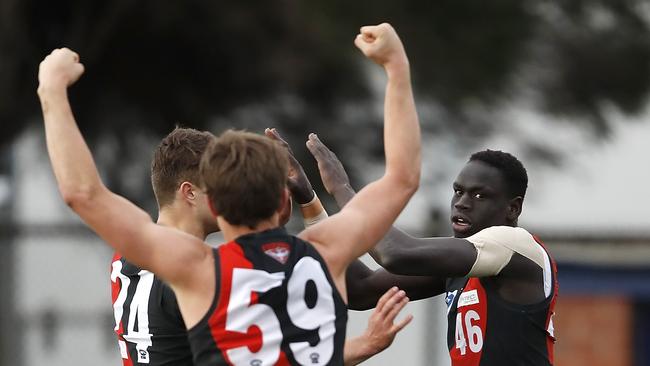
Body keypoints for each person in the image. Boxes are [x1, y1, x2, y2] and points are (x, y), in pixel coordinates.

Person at [38, 22, 421, 366]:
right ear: (284, 201)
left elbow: (83, 194)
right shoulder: (326, 253)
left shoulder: (196, 270)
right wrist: (396, 66)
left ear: (217, 205)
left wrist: (52, 91)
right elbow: (402, 178)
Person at [110, 127, 412, 365]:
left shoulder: (127, 257)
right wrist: (365, 344)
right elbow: (277, 356)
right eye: (219, 184)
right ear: (190, 193)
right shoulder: (200, 274)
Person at [304, 136, 559, 366]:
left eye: (479, 196)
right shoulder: (466, 260)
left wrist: (341, 188)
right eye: (458, 191)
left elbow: (395, 253)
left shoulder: (514, 244)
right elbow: (359, 290)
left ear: (513, 209)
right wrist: (310, 204)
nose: (462, 203)